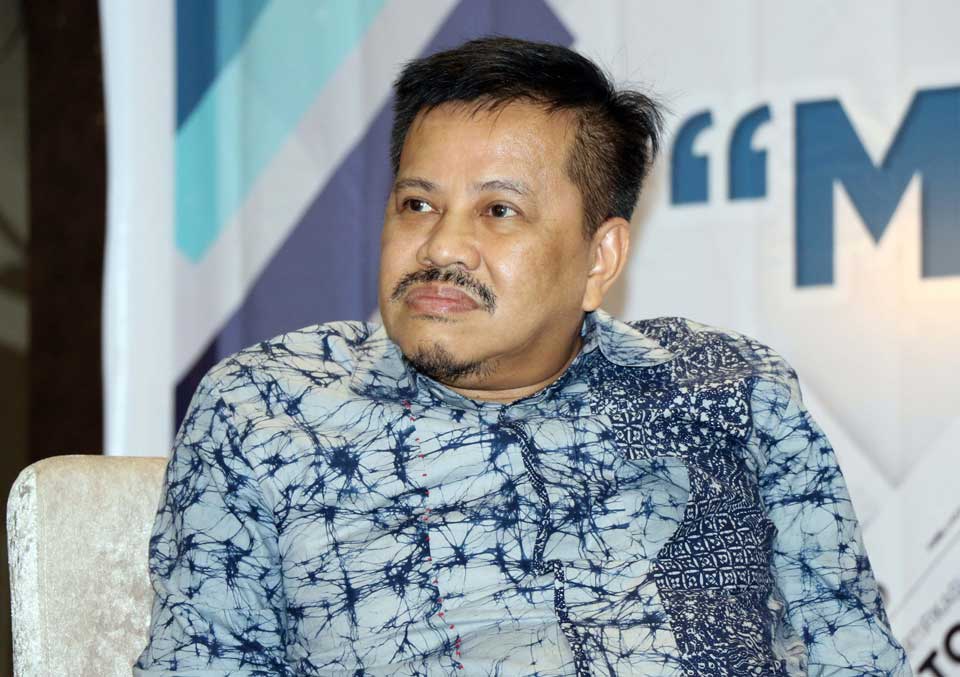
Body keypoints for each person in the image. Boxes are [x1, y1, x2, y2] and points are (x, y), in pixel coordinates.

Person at [134, 37, 910, 677]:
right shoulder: (270, 409)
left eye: (498, 210)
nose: (441, 247)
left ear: (600, 258)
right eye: (417, 204)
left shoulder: (731, 392)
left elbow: (853, 651)